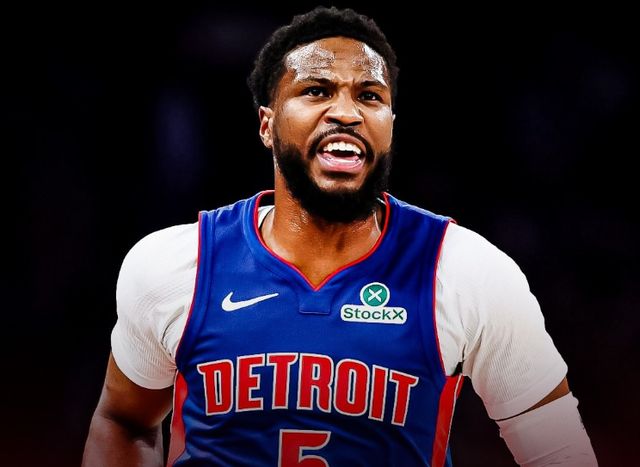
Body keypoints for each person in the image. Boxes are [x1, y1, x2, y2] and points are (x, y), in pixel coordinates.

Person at [83, 6, 598, 466]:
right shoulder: (175, 264)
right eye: (317, 91)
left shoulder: (468, 272)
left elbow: (559, 451)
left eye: (369, 96)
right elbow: (124, 421)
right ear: (267, 125)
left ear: (389, 124)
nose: (347, 113)